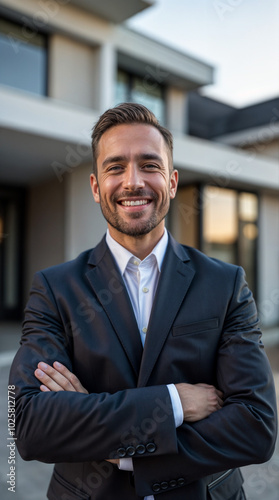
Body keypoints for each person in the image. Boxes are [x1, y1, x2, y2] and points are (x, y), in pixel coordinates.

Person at [10, 103, 277, 500]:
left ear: (171, 182)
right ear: (97, 186)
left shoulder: (226, 284)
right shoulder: (54, 288)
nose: (133, 181)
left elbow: (256, 426)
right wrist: (173, 403)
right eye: (115, 167)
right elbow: (29, 424)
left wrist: (121, 446)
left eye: (149, 165)